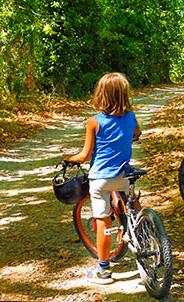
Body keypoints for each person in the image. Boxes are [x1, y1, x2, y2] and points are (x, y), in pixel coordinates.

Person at [64, 72, 141, 284]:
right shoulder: (131, 117)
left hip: (100, 180)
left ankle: (104, 271)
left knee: (103, 223)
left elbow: (84, 155)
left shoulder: (94, 122)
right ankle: (146, 234)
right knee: (134, 203)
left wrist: (68, 159)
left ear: (100, 95)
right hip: (124, 176)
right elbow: (136, 133)